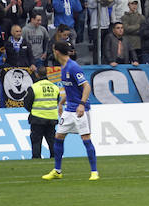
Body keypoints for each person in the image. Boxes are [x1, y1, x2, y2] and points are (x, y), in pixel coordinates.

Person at [42, 41, 99, 181]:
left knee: (86, 139)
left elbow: (86, 87)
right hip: (69, 109)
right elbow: (71, 89)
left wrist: (81, 104)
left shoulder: (73, 67)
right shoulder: (63, 68)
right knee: (58, 137)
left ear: (57, 52)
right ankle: (57, 170)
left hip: (80, 109)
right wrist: (61, 103)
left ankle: (94, 172)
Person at [24, 66, 59, 159]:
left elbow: (27, 104)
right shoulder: (55, 87)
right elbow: (57, 101)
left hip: (37, 118)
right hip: (52, 118)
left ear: (37, 74)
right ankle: (55, 159)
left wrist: (34, 110)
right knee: (52, 140)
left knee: (36, 141)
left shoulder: (34, 87)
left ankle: (36, 159)